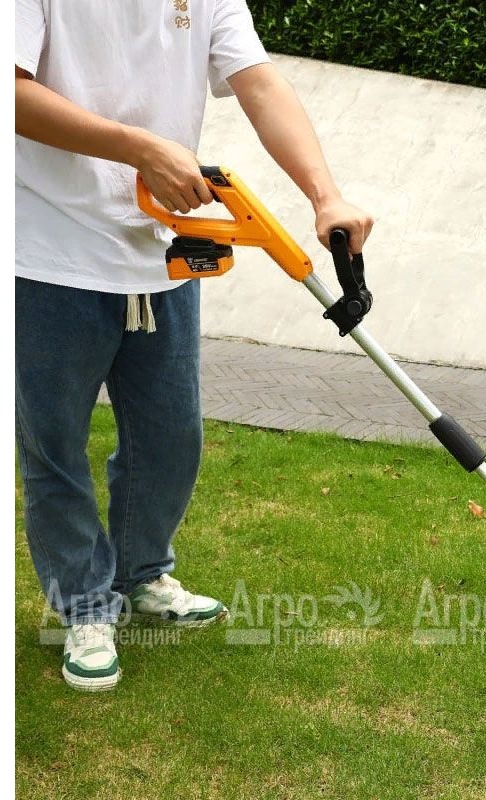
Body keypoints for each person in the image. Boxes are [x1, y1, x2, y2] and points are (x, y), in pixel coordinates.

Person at [15, 0, 374, 691]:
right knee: (53, 446)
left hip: (163, 253)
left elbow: (259, 82)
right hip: (48, 254)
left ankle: (141, 572)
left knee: (171, 438)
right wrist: (140, 147)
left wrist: (324, 195)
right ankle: (84, 606)